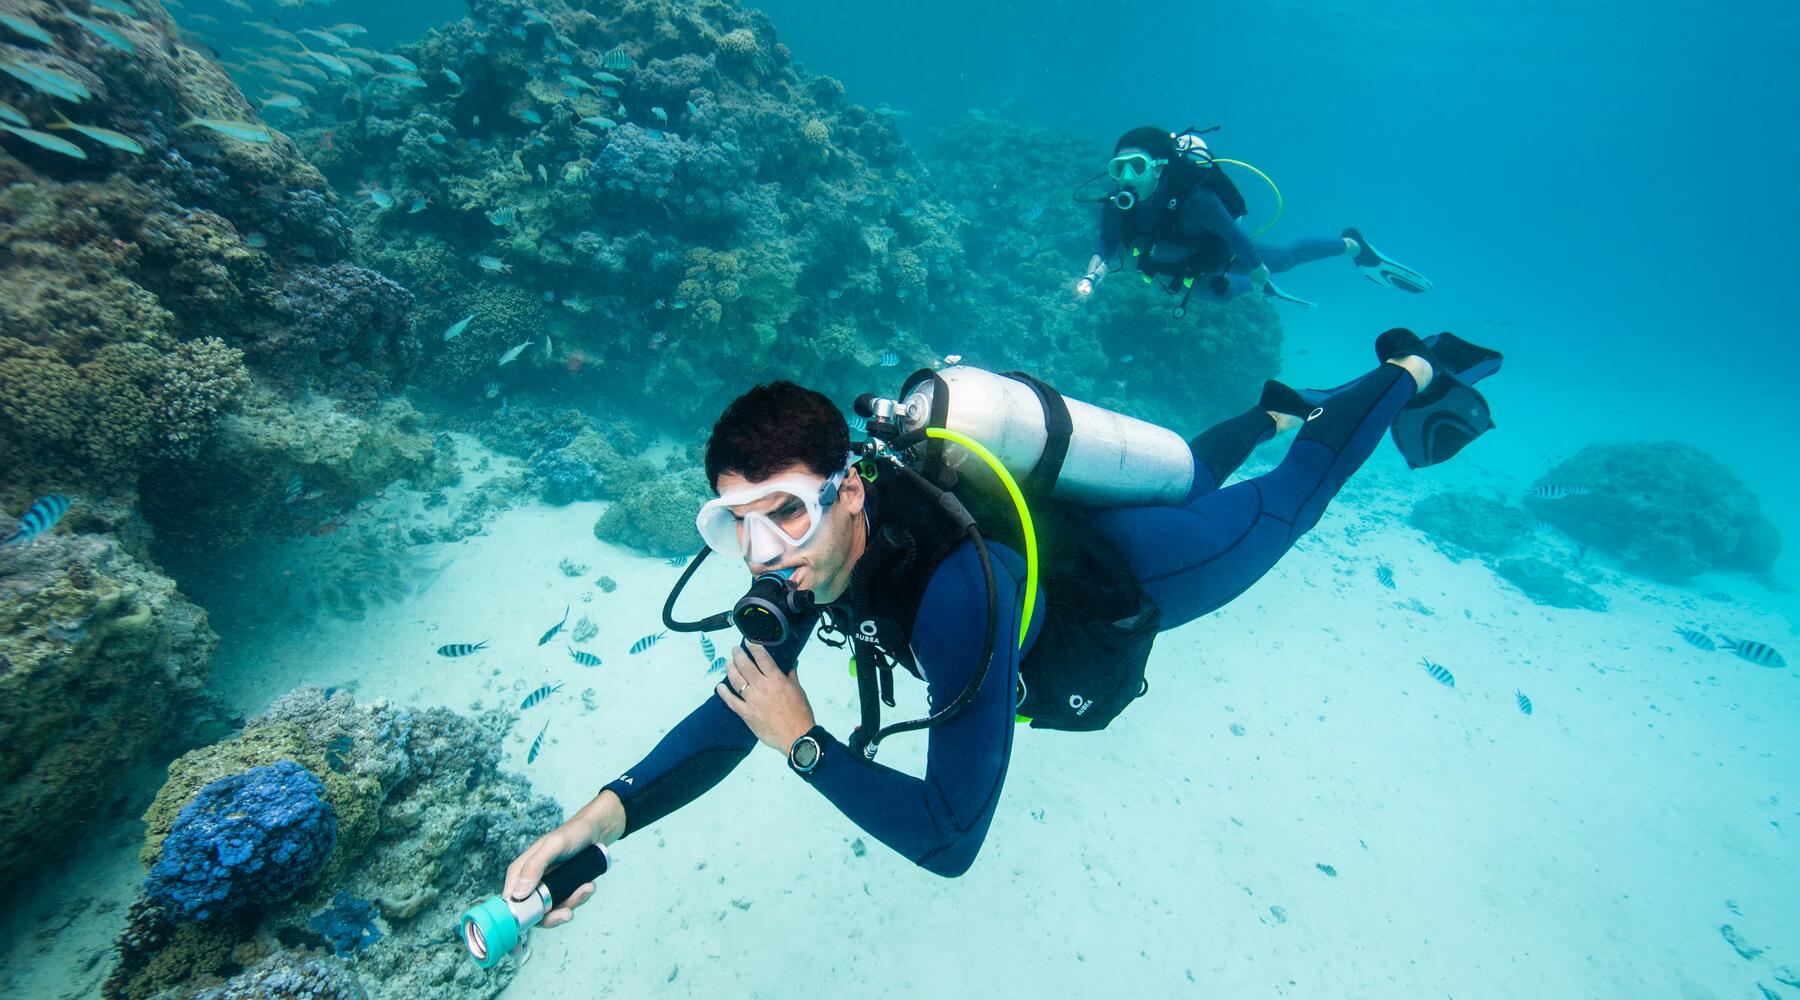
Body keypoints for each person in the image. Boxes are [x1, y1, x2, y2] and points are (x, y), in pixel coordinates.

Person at [503, 327, 1501, 923]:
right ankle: (1275, 407)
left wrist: (805, 746)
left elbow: (949, 838)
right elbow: (736, 712)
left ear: (849, 489)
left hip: (1121, 579)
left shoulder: (957, 595)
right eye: (736, 524)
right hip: (1043, 532)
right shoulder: (805, 560)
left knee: (1281, 503)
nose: (767, 554)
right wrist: (597, 817)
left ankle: (1405, 368)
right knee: (1192, 472)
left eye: (786, 514)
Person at [1075, 126, 1433, 309]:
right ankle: (1265, 293)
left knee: (1285, 260)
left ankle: (1354, 246)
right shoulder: (1117, 201)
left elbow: (1233, 235)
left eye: (1136, 167)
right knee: (1217, 297)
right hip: (1177, 266)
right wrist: (1096, 268)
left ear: (1159, 168)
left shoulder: (1195, 199)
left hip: (1217, 252)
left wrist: (1259, 270)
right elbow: (1108, 238)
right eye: (1118, 168)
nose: (1125, 178)